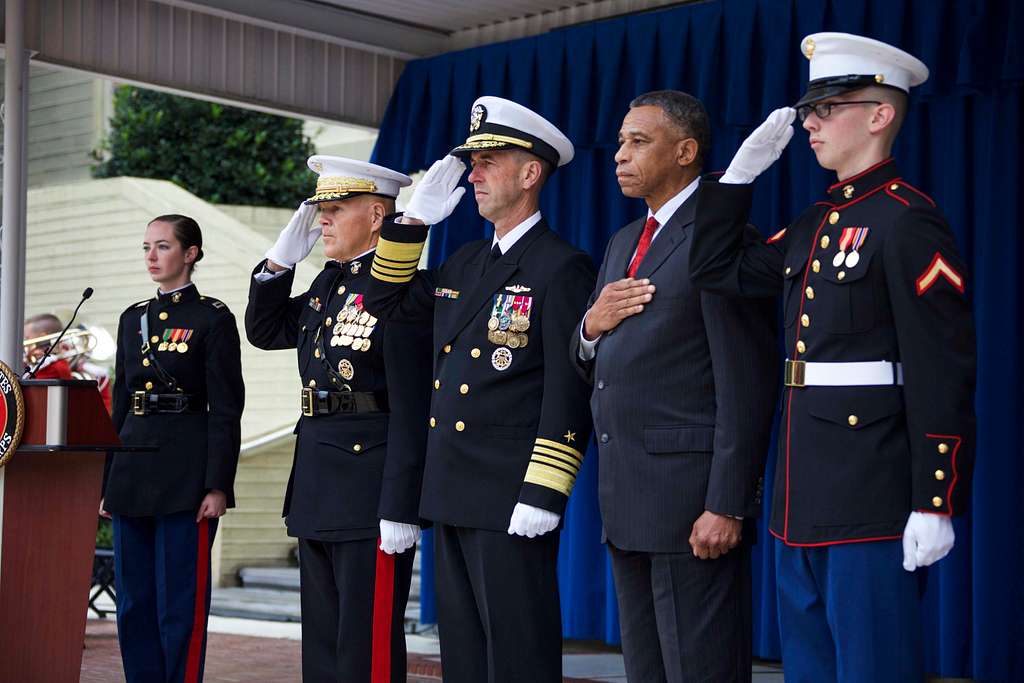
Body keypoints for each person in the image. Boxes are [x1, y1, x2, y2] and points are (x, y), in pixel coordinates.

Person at [689, 33, 976, 682]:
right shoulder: (816, 220)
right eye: (808, 109)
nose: (810, 122)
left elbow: (942, 368)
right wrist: (737, 182)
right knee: (810, 669)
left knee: (875, 667)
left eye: (828, 107)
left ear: (879, 114)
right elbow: (715, 269)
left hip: (872, 488)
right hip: (801, 486)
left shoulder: (908, 222)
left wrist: (937, 497)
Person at [362, 96, 595, 683]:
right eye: (474, 161)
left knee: (517, 651)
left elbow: (569, 386)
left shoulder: (560, 267)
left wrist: (546, 490)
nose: (475, 173)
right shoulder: (464, 262)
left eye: (490, 160)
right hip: (452, 484)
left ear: (531, 172)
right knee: (463, 655)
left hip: (510, 489)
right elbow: (386, 306)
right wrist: (411, 225)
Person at [570, 90, 778, 682]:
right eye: (619, 142)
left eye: (639, 142)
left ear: (686, 151)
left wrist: (726, 502)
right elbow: (591, 359)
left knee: (700, 669)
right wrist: (590, 325)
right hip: (627, 496)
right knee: (647, 670)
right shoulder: (622, 243)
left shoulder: (720, 237)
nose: (619, 155)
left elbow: (746, 379)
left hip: (691, 504)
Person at [245, 156, 429, 683]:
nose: (321, 220)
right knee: (322, 639)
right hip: (319, 476)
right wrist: (280, 261)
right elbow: (264, 328)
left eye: (335, 209)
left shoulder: (403, 289)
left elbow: (412, 407)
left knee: (364, 642)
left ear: (376, 215)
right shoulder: (329, 285)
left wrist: (400, 501)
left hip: (370, 479)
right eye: (319, 210)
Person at [102, 214, 244, 683]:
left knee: (179, 601)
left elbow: (225, 407)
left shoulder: (213, 319)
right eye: (146, 246)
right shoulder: (132, 318)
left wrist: (217, 484)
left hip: (186, 472)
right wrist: (106, 481)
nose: (151, 256)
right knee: (134, 602)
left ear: (191, 254)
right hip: (132, 467)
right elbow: (120, 404)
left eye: (162, 246)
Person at [23, 313, 74, 379]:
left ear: (42, 337)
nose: (25, 342)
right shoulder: (49, 363)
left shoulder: (53, 368)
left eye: (27, 338)